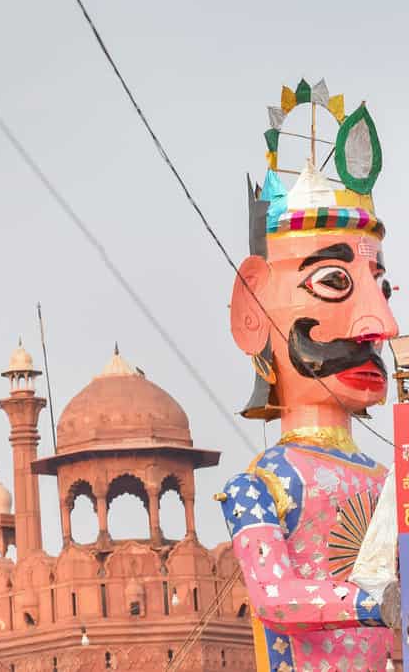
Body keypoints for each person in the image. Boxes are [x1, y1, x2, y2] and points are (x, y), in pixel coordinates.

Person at [223, 87, 397, 670]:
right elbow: (277, 597)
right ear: (253, 313)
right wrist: (372, 600)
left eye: (384, 289)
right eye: (334, 282)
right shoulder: (262, 486)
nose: (382, 325)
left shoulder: (390, 481)